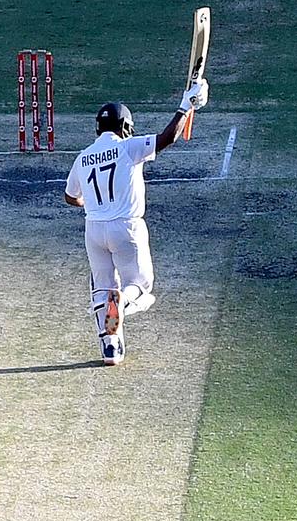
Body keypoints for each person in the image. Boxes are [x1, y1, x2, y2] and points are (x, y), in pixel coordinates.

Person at [63, 77, 210, 365]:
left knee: (101, 286)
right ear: (125, 127)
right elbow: (167, 138)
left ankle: (110, 347)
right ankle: (123, 302)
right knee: (140, 285)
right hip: (126, 227)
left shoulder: (82, 158)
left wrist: (90, 203)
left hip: (94, 230)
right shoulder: (128, 147)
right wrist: (186, 105)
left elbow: (70, 196)